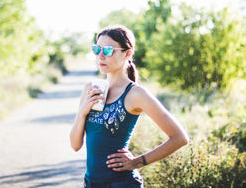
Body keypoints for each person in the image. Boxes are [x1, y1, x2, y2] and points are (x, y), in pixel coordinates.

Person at [70, 25, 189, 188]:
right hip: (91, 183)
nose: (100, 56)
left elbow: (180, 138)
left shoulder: (135, 94)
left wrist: (137, 162)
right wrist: (82, 113)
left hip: (122, 184)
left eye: (108, 50)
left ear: (128, 53)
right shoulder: (91, 89)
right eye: (97, 49)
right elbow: (75, 145)